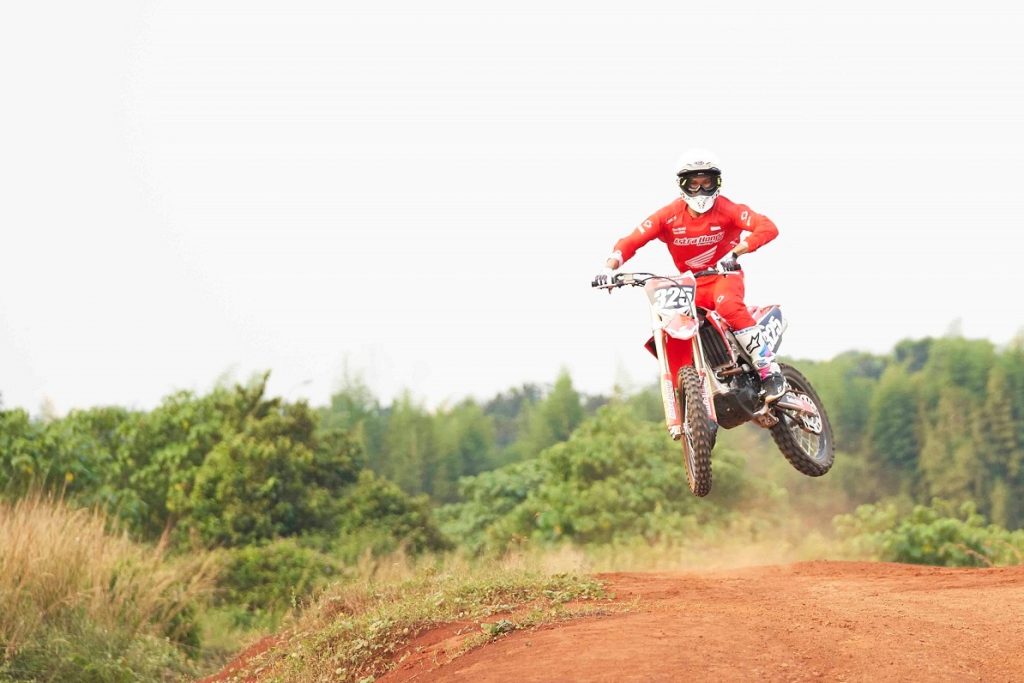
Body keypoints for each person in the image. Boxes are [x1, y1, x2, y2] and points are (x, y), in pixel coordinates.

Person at [593, 148, 786, 400]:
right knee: (672, 321)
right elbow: (631, 241)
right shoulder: (668, 216)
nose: (701, 190)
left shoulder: (728, 209)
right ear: (682, 185)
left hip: (723, 276)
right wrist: (609, 268)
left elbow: (767, 227)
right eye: (693, 184)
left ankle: (770, 372)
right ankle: (696, 383)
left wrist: (736, 253)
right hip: (690, 284)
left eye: (707, 183)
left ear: (717, 183)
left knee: (728, 306)